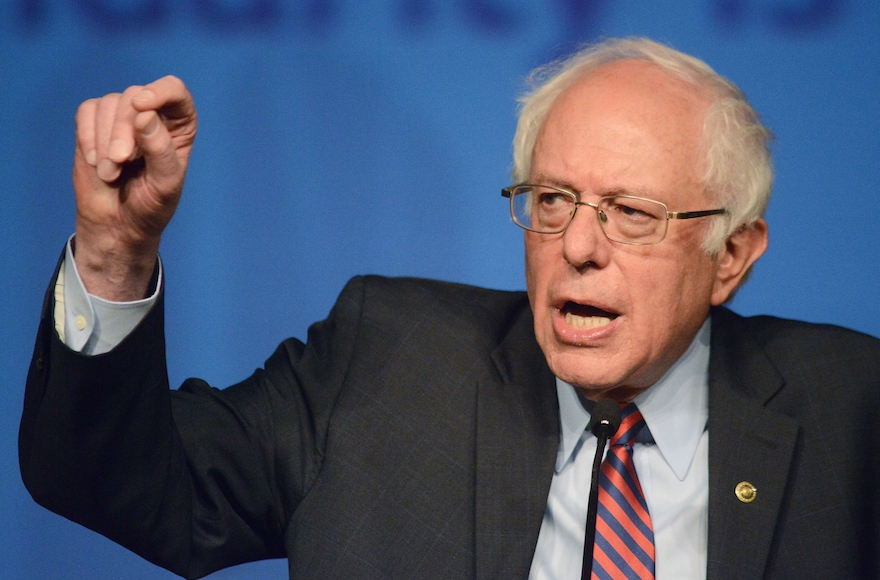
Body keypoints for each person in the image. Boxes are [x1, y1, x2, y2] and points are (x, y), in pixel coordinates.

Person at [19, 37, 880, 580]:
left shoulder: (852, 410)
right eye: (552, 201)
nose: (580, 246)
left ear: (730, 255)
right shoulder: (384, 361)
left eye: (632, 214)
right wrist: (115, 250)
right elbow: (114, 481)